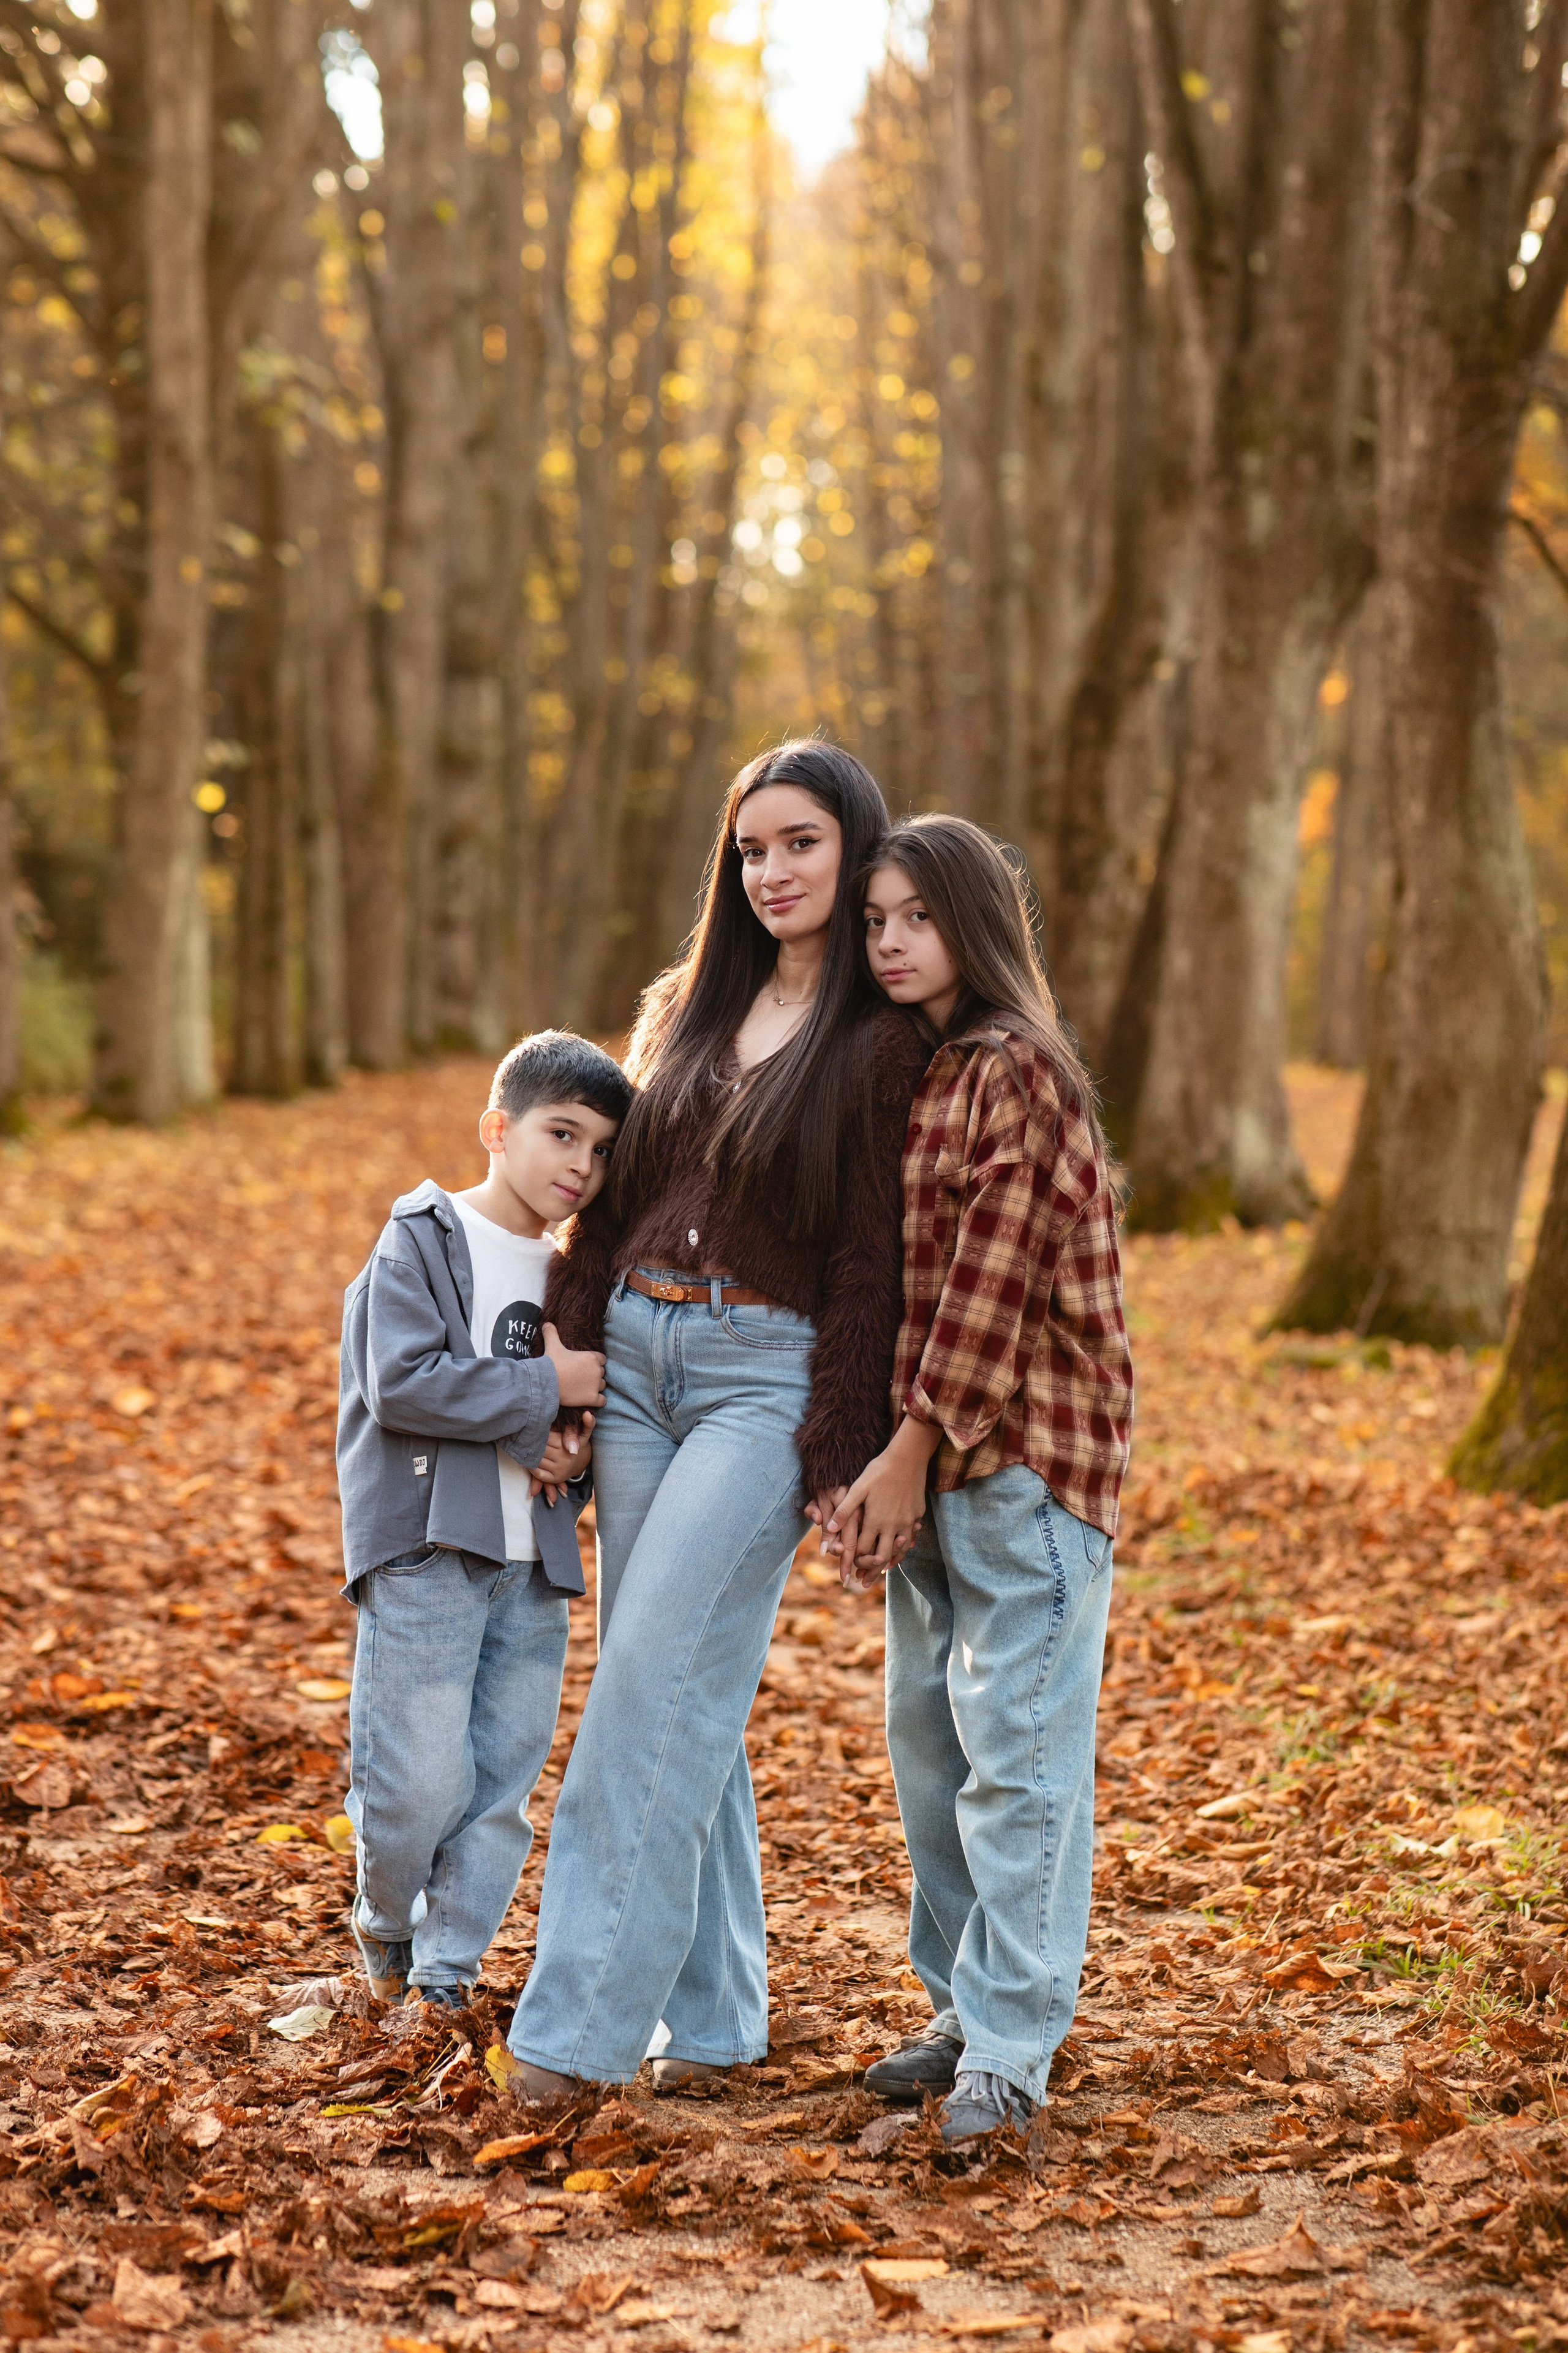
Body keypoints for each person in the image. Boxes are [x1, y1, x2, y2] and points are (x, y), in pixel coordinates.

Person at [504, 741, 931, 2095]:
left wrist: (843, 1443)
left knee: (645, 1689)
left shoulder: (878, 1047)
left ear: (852, 849)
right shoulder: (684, 1004)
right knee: (666, 1671)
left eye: (799, 842)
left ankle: (570, 2037)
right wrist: (565, 1362)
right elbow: (609, 1205)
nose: (772, 871)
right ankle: (715, 2015)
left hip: (766, 1379)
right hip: (632, 1359)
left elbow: (875, 1258)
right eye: (750, 849)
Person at [828, 815, 1133, 2141]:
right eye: (876, 920)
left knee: (1013, 1761)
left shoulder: (1016, 1069)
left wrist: (905, 1448)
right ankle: (961, 2003)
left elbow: (991, 1286)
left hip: (1021, 1463)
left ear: (974, 923)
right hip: (932, 1473)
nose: (889, 941)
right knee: (932, 1750)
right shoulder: (925, 1068)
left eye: (916, 918)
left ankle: (1009, 2050)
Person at [336, 1031, 628, 2008]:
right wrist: (547, 1383)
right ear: (497, 1130)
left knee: (501, 1783)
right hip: (428, 1549)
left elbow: (578, 1424)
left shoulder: (571, 1273)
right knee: (417, 1778)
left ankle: (448, 1974)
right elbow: (402, 1382)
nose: (580, 1165)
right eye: (562, 1134)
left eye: (599, 1149)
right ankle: (388, 1922)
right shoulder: (421, 1237)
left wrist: (570, 1452)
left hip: (530, 1565)